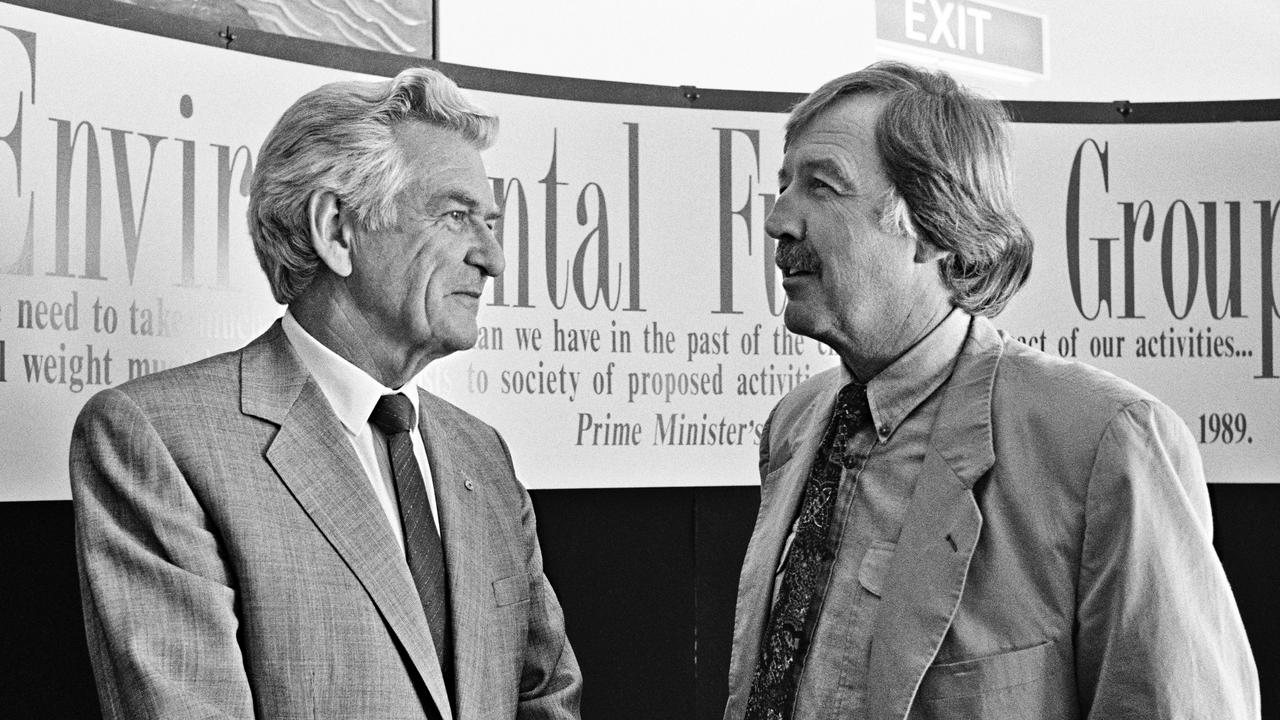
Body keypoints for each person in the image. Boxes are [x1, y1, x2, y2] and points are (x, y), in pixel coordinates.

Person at [723, 61, 1259, 720]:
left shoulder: (1103, 443)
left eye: (822, 186)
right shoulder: (794, 425)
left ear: (930, 224)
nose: (778, 220)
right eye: (782, 187)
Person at [70, 67, 581, 720]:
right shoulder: (158, 442)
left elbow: (545, 695)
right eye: (456, 217)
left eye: (491, 222)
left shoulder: (482, 453)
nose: (493, 258)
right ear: (337, 229)